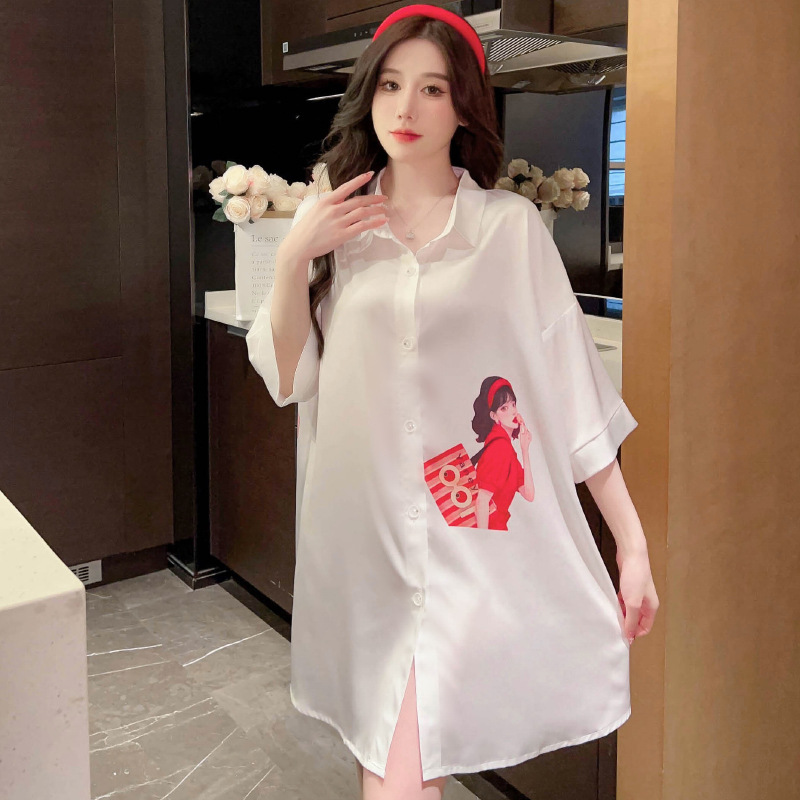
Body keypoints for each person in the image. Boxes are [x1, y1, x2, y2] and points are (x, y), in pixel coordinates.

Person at [245, 5, 660, 799]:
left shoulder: (508, 230)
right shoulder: (338, 227)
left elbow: (573, 398)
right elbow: (288, 375)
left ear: (464, 107)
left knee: (399, 764)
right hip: (364, 542)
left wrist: (632, 546)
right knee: (395, 757)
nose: (406, 107)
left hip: (471, 544)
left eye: (433, 89)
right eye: (391, 85)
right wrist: (296, 252)